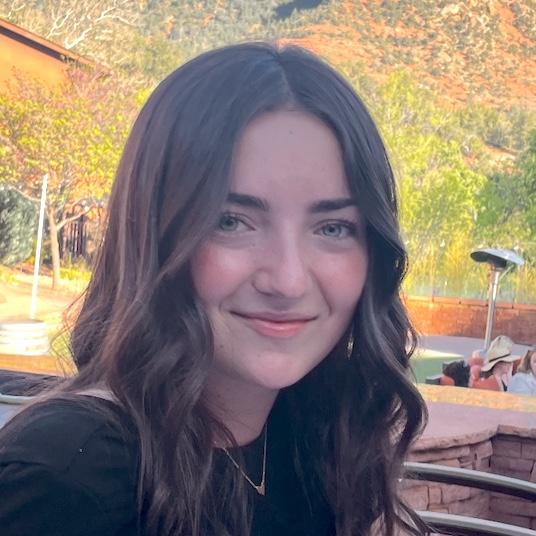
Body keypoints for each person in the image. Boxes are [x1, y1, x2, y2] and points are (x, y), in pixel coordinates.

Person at [0, 42, 428, 536]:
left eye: (332, 228)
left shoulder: (313, 434)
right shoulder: (67, 481)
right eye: (231, 221)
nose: (288, 280)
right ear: (155, 235)